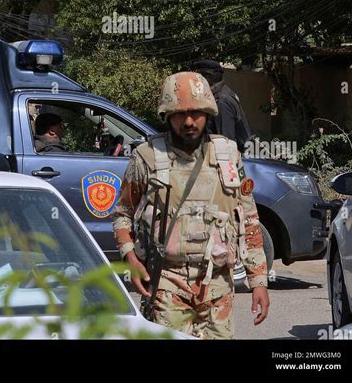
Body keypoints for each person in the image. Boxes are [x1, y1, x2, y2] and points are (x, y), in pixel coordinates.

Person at [112, 72, 269, 339]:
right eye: (179, 113)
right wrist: (130, 258)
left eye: (196, 113)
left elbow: (249, 220)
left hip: (218, 284)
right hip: (166, 284)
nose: (188, 121)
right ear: (166, 115)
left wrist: (259, 282)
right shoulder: (147, 157)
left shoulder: (229, 156)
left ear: (208, 113)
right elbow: (122, 215)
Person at [192, 59, 252, 153]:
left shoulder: (221, 102)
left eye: (200, 77)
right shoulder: (221, 94)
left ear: (209, 77)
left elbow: (226, 145)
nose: (196, 82)